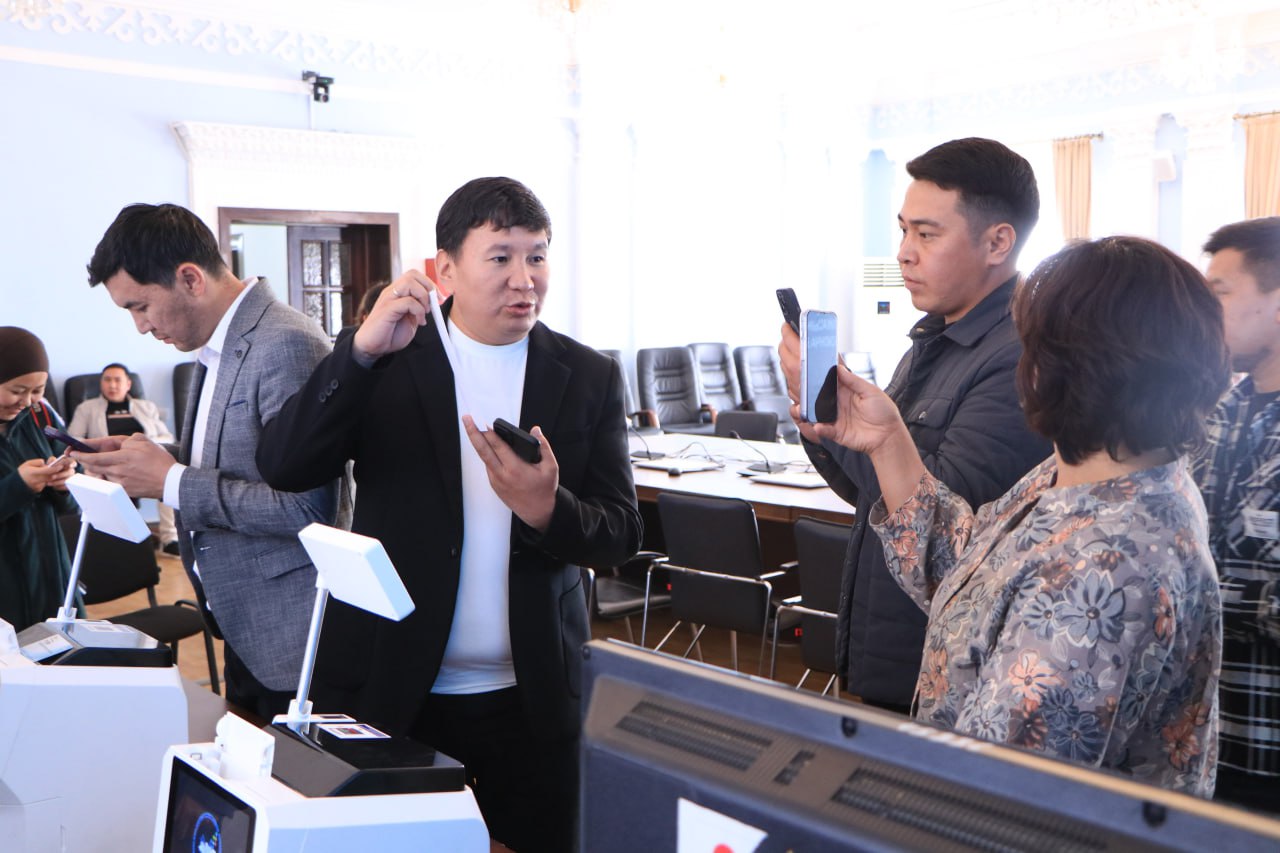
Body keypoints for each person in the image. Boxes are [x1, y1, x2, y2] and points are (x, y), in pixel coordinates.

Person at [257, 177, 642, 853]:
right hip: (395, 686)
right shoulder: (390, 358)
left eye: (537, 256)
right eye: (500, 257)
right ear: (445, 270)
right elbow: (285, 464)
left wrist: (549, 510)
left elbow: (621, 533)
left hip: (534, 695)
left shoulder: (588, 375)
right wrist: (359, 353)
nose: (524, 278)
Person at [811, 236, 1227, 796]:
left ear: (1066, 368)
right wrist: (888, 443)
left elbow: (995, 794)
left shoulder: (1104, 574)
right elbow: (967, 571)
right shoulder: (1091, 471)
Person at [779, 137, 1052, 712]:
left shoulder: (1018, 357)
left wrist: (860, 430)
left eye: (926, 235)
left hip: (940, 666)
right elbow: (873, 494)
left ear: (998, 242)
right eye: (903, 231)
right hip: (888, 643)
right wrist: (823, 423)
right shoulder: (934, 340)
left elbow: (941, 520)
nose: (903, 253)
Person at [75, 203, 344, 719]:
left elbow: (308, 509)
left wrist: (171, 481)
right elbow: (239, 458)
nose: (140, 327)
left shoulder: (286, 343)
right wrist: (150, 460)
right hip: (243, 624)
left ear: (190, 279)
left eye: (141, 306)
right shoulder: (216, 344)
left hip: (295, 639)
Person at [1192, 216, 1280, 813]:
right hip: (1200, 742)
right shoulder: (1218, 411)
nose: (1204, 314)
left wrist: (1185, 595)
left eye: (1220, 293)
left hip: (1268, 751)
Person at [0, 327, 78, 631]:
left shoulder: (40, 417)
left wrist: (65, 483)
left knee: (63, 651)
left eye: (38, 390)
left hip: (52, 575)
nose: (28, 400)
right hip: (6, 592)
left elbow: (72, 504)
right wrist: (17, 486)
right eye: (18, 390)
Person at [66, 362, 180, 554]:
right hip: (107, 464)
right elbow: (74, 437)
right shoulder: (87, 408)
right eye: (107, 380)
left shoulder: (146, 407)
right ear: (101, 383)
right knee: (93, 477)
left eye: (117, 380)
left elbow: (167, 437)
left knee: (168, 478)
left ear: (128, 384)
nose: (112, 385)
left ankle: (170, 540)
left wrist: (139, 444)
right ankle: (118, 542)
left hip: (144, 461)